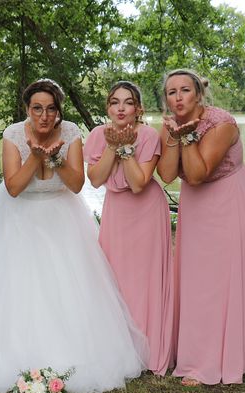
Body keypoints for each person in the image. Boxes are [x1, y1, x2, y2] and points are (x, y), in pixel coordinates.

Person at [0, 79, 148, 393]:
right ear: (28, 109)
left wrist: (56, 159)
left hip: (62, 214)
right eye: (37, 108)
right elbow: (13, 187)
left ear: (58, 111)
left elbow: (78, 183)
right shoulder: (13, 135)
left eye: (51, 109)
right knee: (19, 289)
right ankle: (13, 356)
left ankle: (74, 355)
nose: (44, 116)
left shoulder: (71, 134)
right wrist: (36, 158)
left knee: (69, 288)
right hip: (18, 216)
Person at [157, 68, 245, 386]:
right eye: (171, 92)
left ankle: (217, 361)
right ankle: (193, 353)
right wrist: (174, 137)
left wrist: (186, 136)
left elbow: (199, 172)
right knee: (195, 280)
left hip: (228, 202)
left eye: (184, 91)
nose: (178, 97)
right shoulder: (169, 125)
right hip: (195, 206)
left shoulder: (222, 124)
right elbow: (166, 174)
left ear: (199, 95)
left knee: (223, 278)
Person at [84, 81, 175, 375]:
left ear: (138, 109)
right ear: (108, 108)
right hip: (116, 213)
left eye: (127, 102)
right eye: (114, 102)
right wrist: (111, 146)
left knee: (145, 280)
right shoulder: (99, 135)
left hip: (147, 211)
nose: (120, 108)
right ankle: (119, 348)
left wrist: (125, 149)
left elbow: (138, 183)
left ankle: (149, 352)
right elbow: (96, 179)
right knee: (115, 278)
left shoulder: (149, 135)